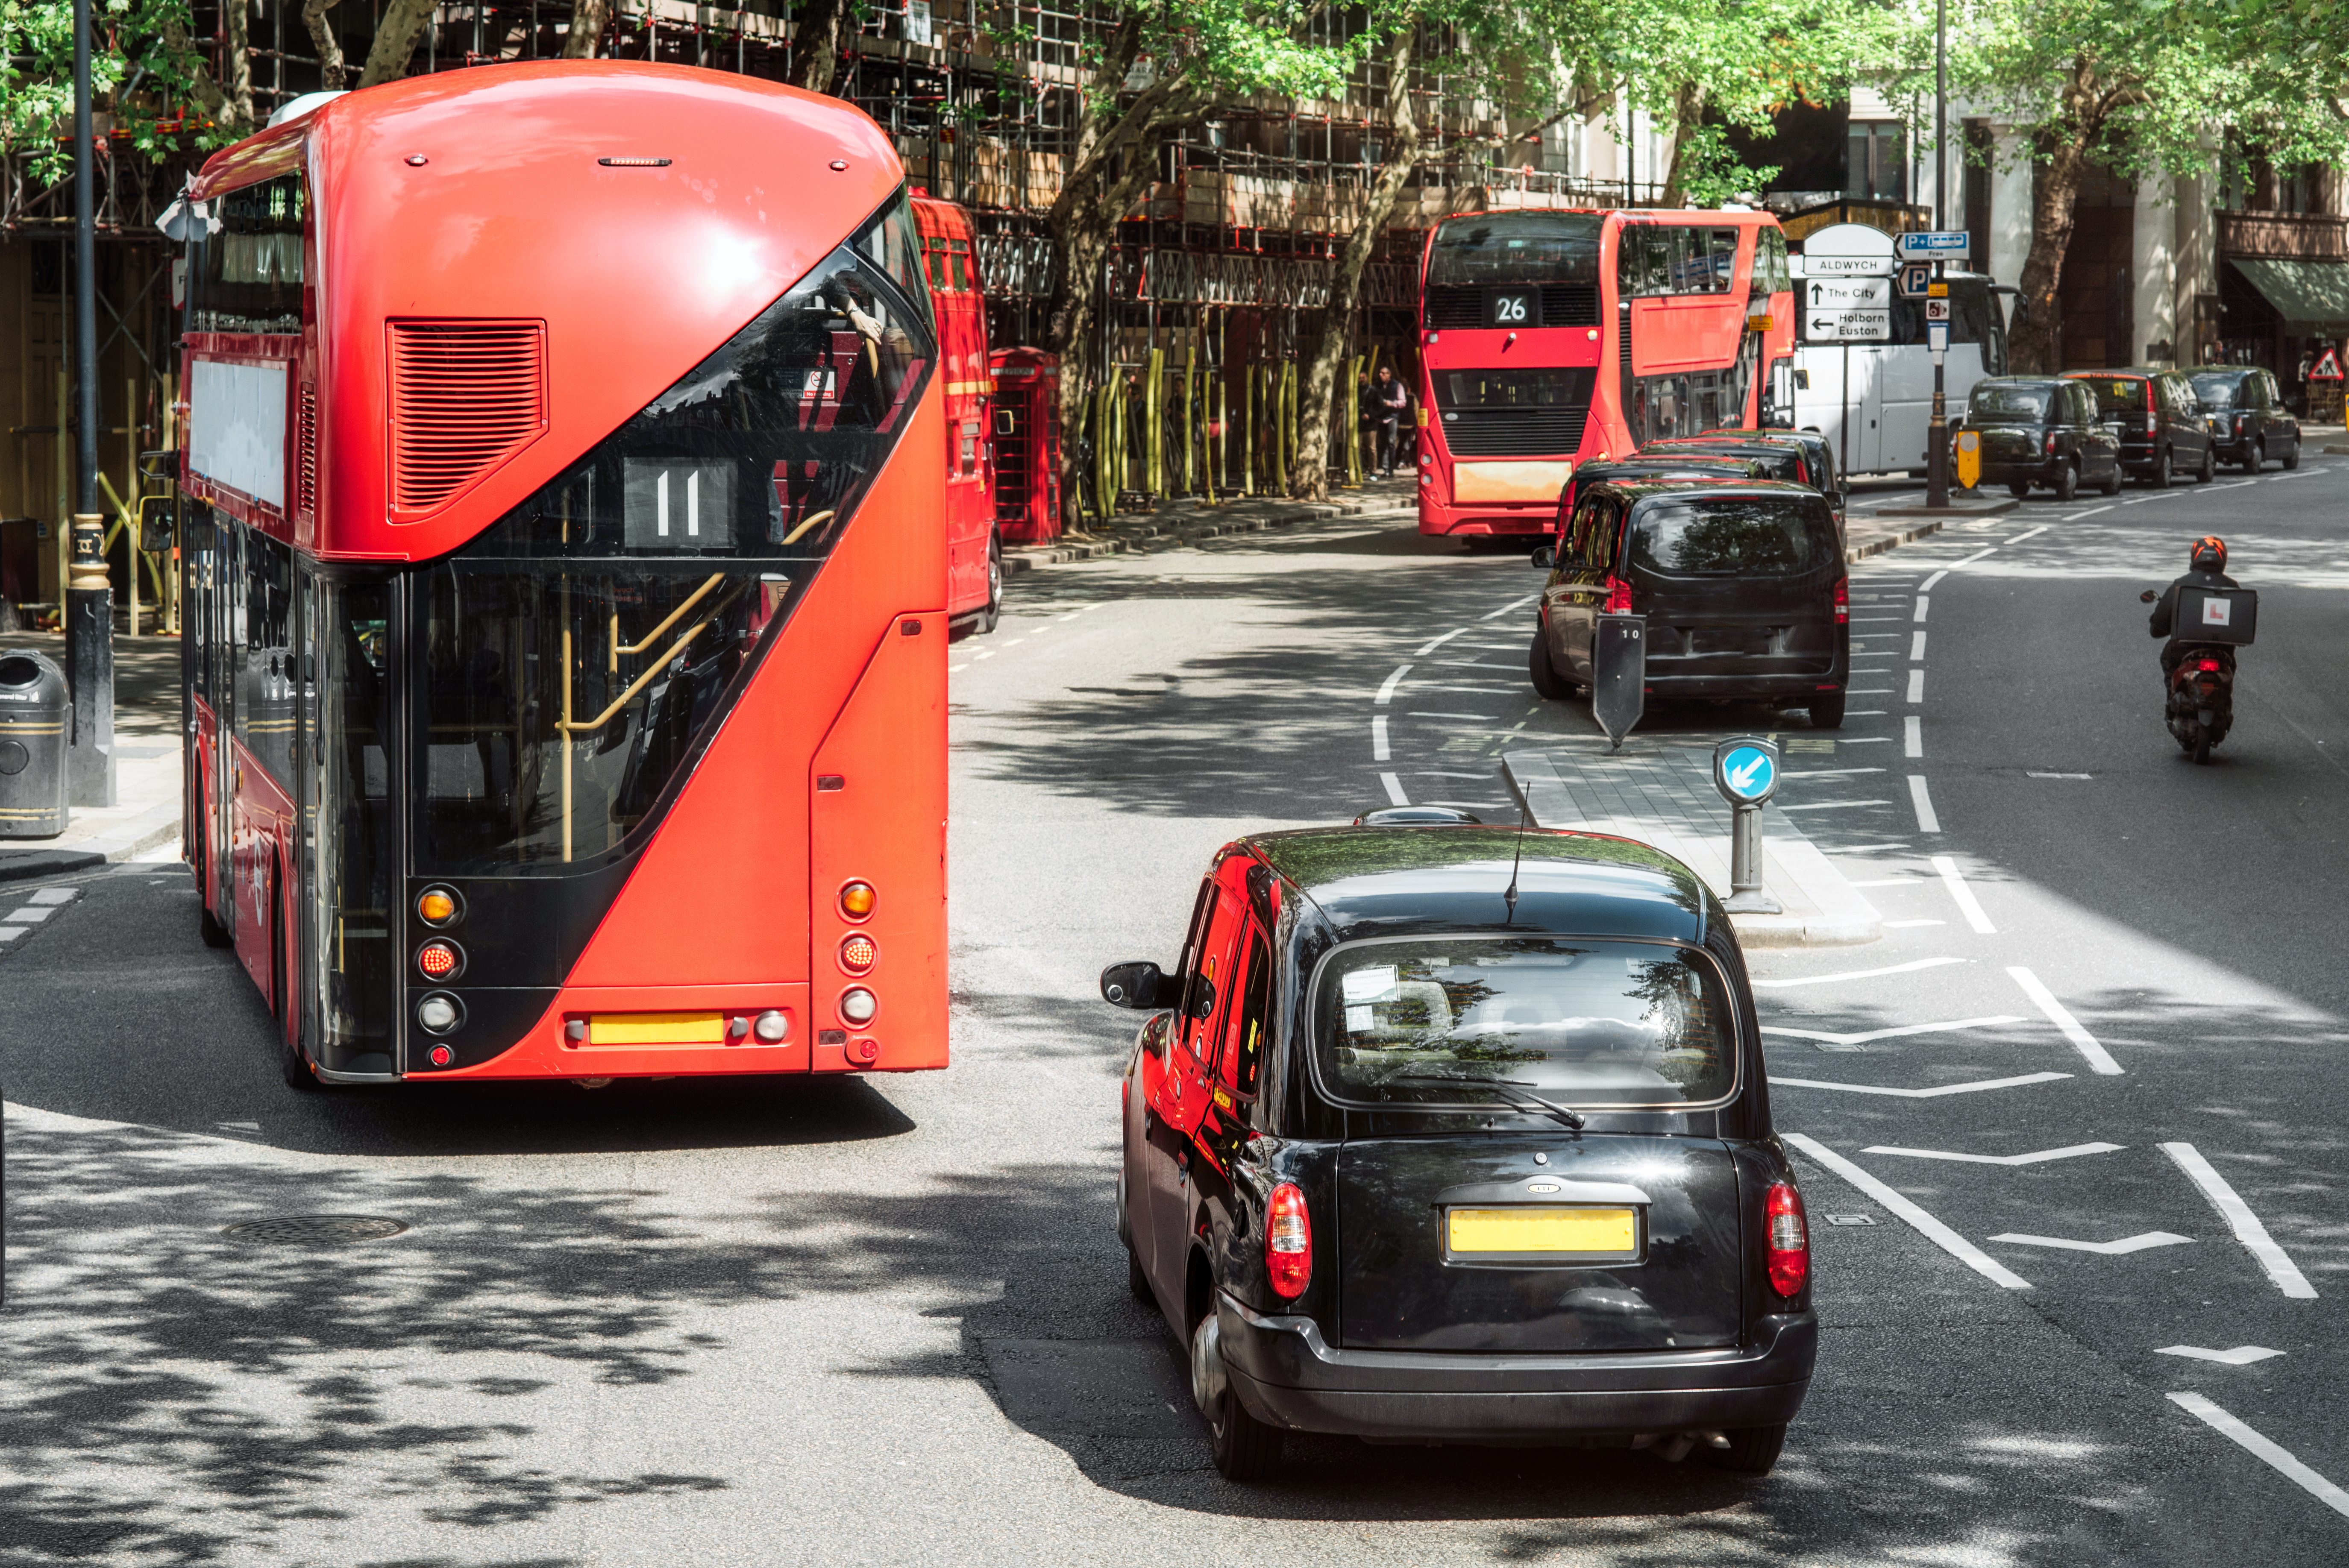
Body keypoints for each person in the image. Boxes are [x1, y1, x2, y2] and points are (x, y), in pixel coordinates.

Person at [2147, 535, 2239, 675]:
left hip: (2183, 652)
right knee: (2229, 673)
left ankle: (2173, 695)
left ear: (2195, 557)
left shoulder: (2180, 585)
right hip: (2223, 653)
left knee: (2168, 660)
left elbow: (2158, 627)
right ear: (2223, 559)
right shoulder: (2233, 587)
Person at [1361, 364, 1411, 478]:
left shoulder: (1397, 385)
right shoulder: (1377, 386)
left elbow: (1403, 402)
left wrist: (1392, 404)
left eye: (1383, 373)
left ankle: (1391, 469)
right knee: (1383, 444)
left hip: (1392, 417)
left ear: (1389, 375)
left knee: (1391, 443)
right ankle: (1385, 469)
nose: (1381, 375)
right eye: (1380, 373)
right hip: (1380, 418)